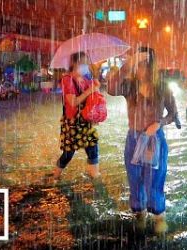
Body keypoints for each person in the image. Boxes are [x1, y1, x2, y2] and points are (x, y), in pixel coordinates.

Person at [107, 47, 178, 234]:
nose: (140, 68)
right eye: (137, 64)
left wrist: (160, 123)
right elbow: (111, 88)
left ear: (151, 66)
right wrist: (127, 63)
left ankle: (159, 215)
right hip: (134, 139)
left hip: (155, 139)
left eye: (144, 64)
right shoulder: (129, 86)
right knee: (135, 179)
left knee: (155, 180)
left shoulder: (162, 87)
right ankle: (139, 213)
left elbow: (173, 114)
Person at [52, 52, 101, 180]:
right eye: (82, 63)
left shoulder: (86, 80)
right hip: (72, 122)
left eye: (86, 63)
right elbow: (73, 102)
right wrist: (89, 91)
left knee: (93, 146)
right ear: (74, 63)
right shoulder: (67, 80)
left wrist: (95, 88)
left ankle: (94, 174)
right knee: (68, 153)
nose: (85, 66)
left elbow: (92, 100)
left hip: (85, 120)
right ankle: (55, 176)